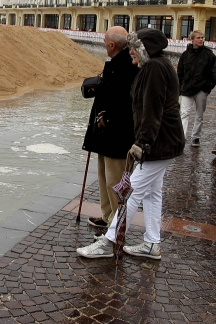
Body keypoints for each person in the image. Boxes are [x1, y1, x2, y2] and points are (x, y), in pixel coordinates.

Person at [76, 28, 185, 260]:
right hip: (165, 142)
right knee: (152, 194)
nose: (131, 53)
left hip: (157, 144)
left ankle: (109, 241)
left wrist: (142, 143)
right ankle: (152, 243)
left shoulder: (154, 68)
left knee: (130, 192)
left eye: (134, 49)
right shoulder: (155, 66)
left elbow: (152, 110)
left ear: (144, 49)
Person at [82, 26, 139, 231]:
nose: (104, 44)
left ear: (112, 45)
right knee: (104, 178)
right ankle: (108, 216)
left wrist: (108, 118)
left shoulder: (128, 66)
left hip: (117, 135)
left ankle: (117, 224)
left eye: (105, 41)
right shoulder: (114, 62)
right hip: (105, 134)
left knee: (115, 181)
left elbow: (126, 102)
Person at [177, 30, 216, 147]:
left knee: (199, 115)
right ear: (192, 40)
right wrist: (180, 87)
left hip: (201, 89)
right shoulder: (185, 55)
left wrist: (207, 87)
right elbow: (180, 72)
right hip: (187, 89)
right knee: (184, 113)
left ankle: (195, 137)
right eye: (198, 37)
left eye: (202, 37)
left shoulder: (209, 55)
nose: (200, 39)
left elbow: (214, 73)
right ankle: (182, 137)